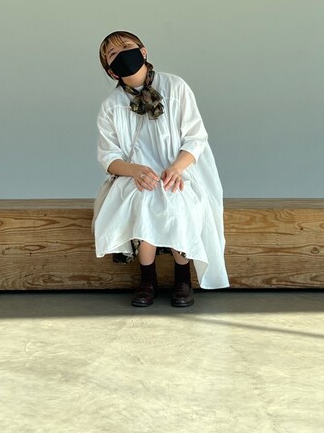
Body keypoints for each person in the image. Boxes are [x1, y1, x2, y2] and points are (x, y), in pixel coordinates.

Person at [94, 30, 229, 307]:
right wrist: (135, 171)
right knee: (143, 200)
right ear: (110, 70)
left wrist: (177, 168)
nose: (122, 54)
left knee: (177, 197)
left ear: (143, 51)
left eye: (127, 47)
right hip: (133, 176)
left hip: (179, 169)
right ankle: (148, 279)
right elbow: (109, 157)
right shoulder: (111, 106)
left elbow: (196, 137)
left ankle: (183, 277)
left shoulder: (175, 87)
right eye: (113, 54)